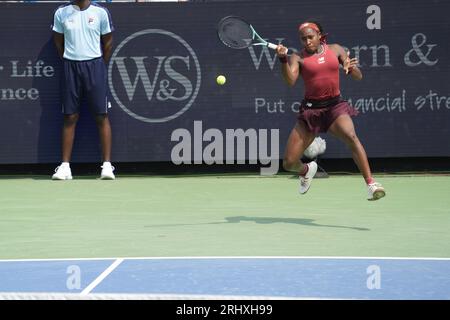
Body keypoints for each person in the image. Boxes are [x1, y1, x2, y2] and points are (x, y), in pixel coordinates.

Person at [277, 21, 385, 200]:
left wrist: (351, 68)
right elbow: (290, 81)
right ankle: (306, 170)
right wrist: (282, 60)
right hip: (311, 111)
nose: (307, 41)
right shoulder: (297, 57)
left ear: (320, 35)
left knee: (351, 136)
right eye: (303, 39)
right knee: (289, 163)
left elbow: (358, 76)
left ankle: (371, 184)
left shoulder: (336, 50)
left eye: (311, 37)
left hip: (334, 107)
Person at [51, 0, 115, 180]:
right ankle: (65, 167)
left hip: (95, 66)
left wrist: (98, 65)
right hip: (70, 67)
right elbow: (58, 42)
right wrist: (70, 59)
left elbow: (108, 42)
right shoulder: (61, 12)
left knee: (101, 115)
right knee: (70, 116)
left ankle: (107, 166)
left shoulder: (101, 12)